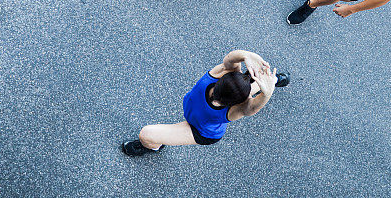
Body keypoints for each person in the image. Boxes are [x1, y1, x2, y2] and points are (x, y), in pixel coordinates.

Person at [122, 50, 289, 156]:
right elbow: (231, 58)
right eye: (216, 95)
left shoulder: (234, 110)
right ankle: (269, 80)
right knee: (244, 88)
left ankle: (152, 147)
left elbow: (251, 108)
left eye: (221, 101)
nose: (215, 100)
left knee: (146, 135)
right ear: (221, 78)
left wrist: (267, 93)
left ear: (235, 103)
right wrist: (247, 55)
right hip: (196, 112)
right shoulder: (221, 72)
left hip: (200, 131)